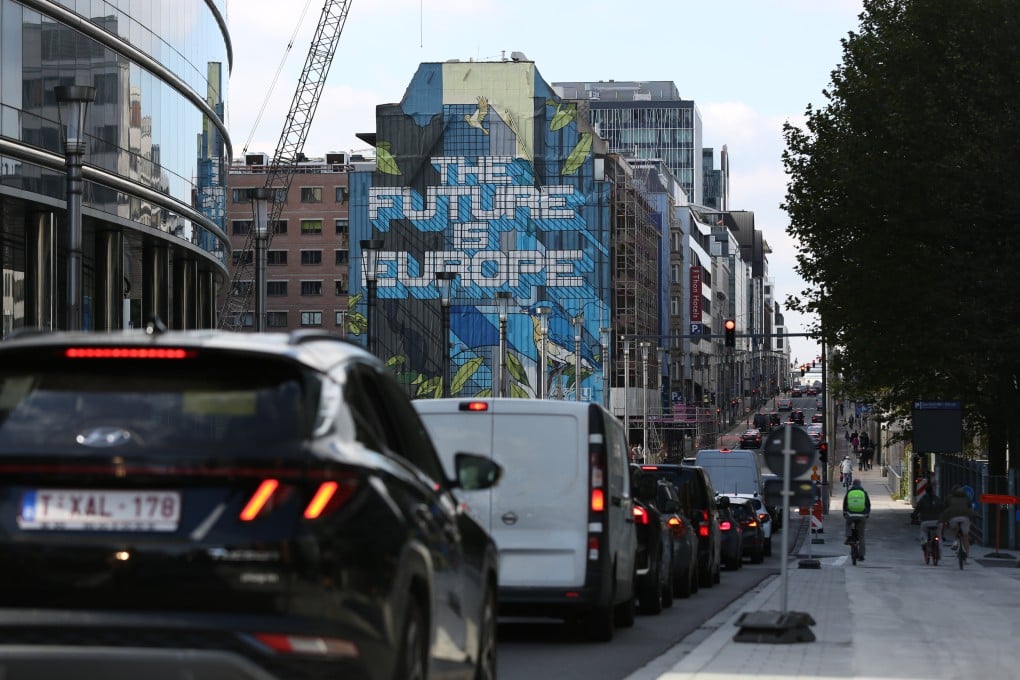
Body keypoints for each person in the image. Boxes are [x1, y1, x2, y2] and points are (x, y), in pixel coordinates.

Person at [939, 487, 980, 558]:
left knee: (953, 528)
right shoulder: (966, 497)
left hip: (954, 518)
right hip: (964, 518)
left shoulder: (949, 498)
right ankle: (966, 556)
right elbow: (969, 507)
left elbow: (945, 507)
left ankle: (955, 541)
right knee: (965, 536)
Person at [843, 479, 871, 559]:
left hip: (851, 515)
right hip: (862, 515)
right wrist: (867, 513)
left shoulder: (849, 492)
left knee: (848, 523)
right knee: (861, 536)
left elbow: (845, 503)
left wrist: (844, 513)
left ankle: (849, 537)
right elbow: (868, 504)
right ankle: (861, 555)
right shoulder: (864, 493)